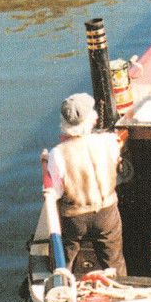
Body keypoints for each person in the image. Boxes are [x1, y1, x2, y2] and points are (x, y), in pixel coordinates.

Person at [47, 92, 127, 275]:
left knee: (65, 259)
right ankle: (119, 287)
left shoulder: (57, 154)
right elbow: (115, 161)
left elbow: (57, 192)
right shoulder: (109, 142)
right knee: (114, 261)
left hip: (74, 218)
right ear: (91, 120)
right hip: (106, 213)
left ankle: (64, 288)